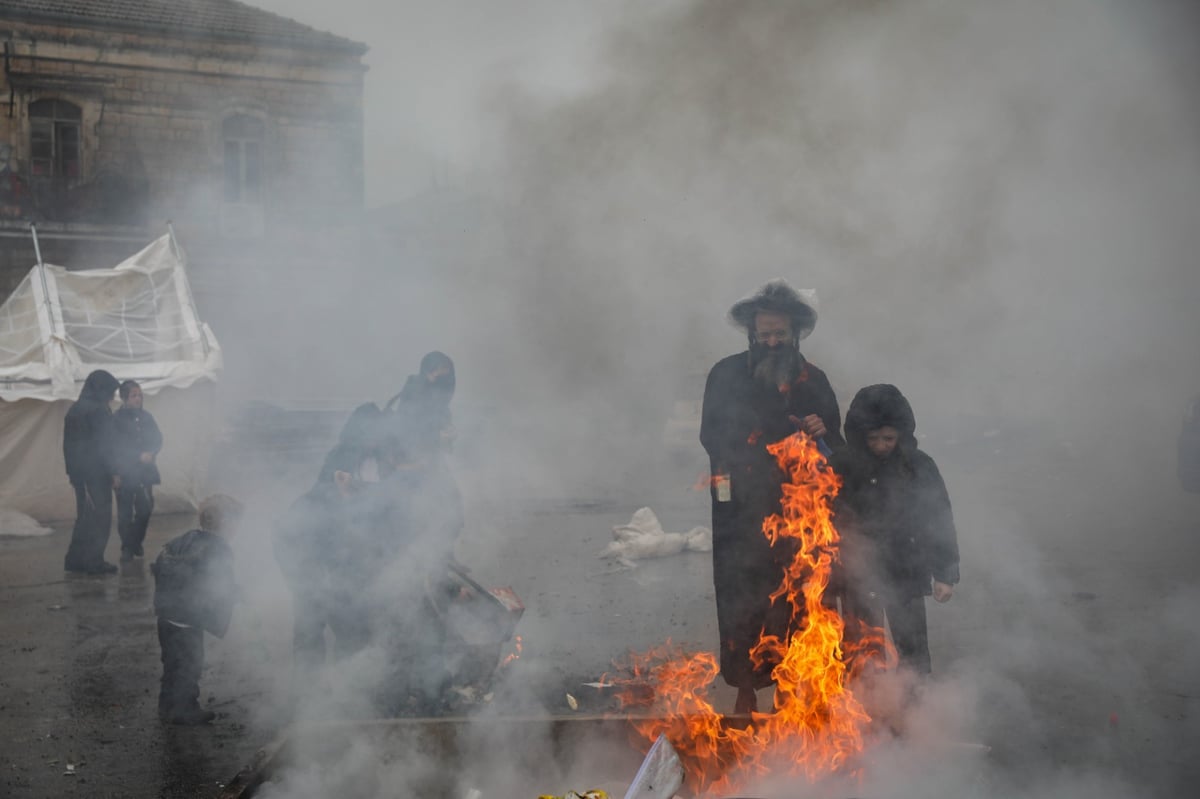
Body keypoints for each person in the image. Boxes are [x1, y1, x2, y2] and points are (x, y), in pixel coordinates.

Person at [700, 279, 844, 714]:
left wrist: (821, 434)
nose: (773, 341)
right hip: (741, 513)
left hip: (798, 511)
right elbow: (711, 436)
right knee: (742, 598)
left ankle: (788, 684)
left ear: (795, 333)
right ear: (752, 334)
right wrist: (752, 458)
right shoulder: (724, 375)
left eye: (780, 333)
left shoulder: (813, 380)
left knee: (795, 599)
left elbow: (836, 444)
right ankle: (745, 688)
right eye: (765, 334)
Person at [827, 384, 960, 677]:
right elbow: (823, 518)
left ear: (902, 432)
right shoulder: (841, 465)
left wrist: (945, 574)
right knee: (861, 650)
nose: (881, 445)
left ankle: (916, 707)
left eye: (889, 438)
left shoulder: (918, 466)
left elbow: (939, 518)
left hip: (906, 571)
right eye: (872, 438)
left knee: (911, 649)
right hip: (857, 575)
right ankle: (865, 709)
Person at [273, 444, 382, 702]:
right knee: (310, 638)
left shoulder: (354, 502)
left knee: (353, 635)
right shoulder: (310, 506)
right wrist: (301, 582)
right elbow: (283, 544)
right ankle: (309, 698)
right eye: (356, 482)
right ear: (340, 476)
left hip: (341, 585)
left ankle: (349, 691)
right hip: (312, 585)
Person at [151, 494, 243, 725]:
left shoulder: (184, 539)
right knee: (190, 665)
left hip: (166, 615)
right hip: (188, 619)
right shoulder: (219, 550)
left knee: (172, 663)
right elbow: (220, 585)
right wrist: (238, 594)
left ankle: (167, 706)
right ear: (228, 524)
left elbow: (159, 565)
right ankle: (185, 709)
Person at [62, 369, 121, 575]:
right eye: (111, 391)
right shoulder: (98, 410)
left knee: (85, 517)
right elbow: (106, 445)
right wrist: (114, 471)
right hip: (96, 474)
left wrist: (73, 473)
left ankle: (74, 560)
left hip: (80, 474)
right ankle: (93, 561)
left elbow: (68, 446)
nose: (113, 396)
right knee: (100, 518)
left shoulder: (75, 409)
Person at [113, 380, 162, 561]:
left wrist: (152, 451)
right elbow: (114, 447)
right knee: (125, 513)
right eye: (134, 395)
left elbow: (157, 438)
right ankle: (127, 547)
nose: (138, 399)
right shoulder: (116, 420)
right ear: (125, 398)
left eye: (140, 395)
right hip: (124, 472)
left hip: (145, 472)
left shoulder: (147, 417)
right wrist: (134, 458)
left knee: (145, 509)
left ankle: (135, 541)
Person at [385, 351, 456, 457]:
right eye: (436, 372)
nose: (441, 380)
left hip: (430, 453)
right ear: (427, 371)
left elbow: (440, 417)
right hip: (409, 454)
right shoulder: (414, 391)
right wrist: (436, 436)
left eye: (445, 373)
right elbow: (408, 427)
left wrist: (448, 428)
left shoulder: (441, 402)